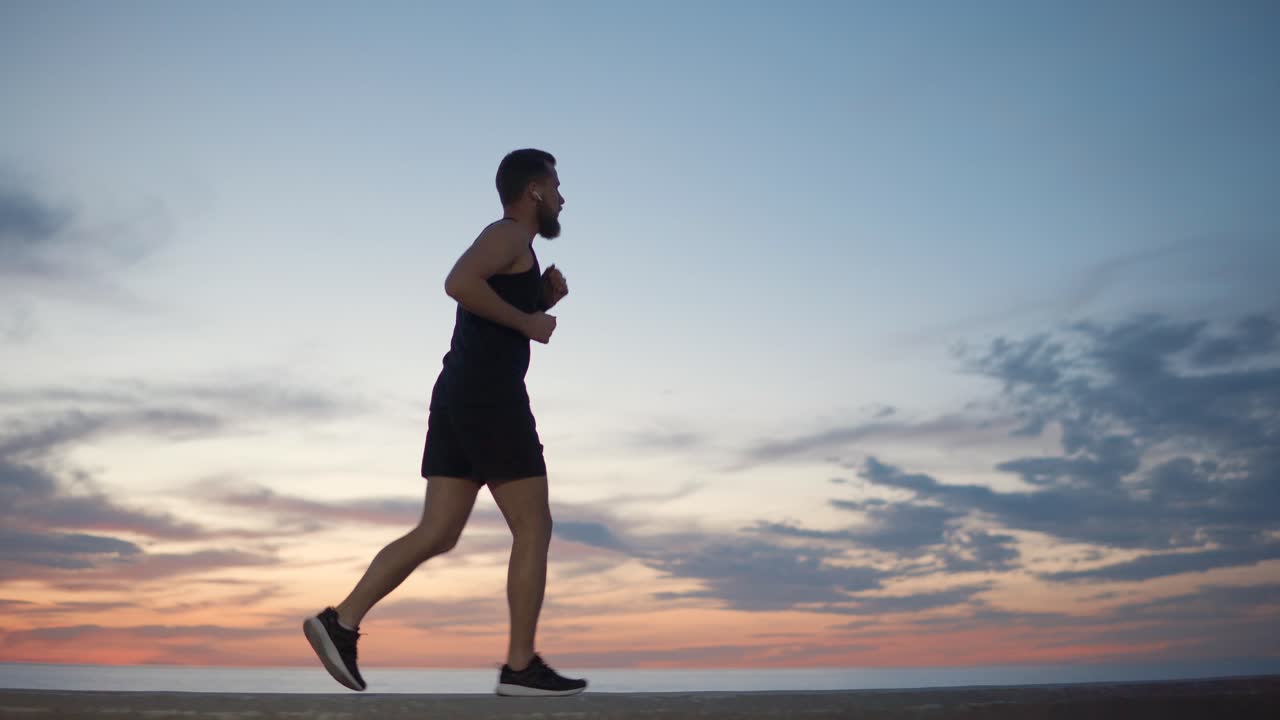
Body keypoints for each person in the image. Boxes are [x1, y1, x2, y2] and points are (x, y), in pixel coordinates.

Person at [303, 149, 587, 697]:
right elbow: (458, 283)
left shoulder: (517, 249)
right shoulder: (507, 234)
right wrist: (529, 321)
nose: (562, 198)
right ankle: (520, 667)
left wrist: (540, 298)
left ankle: (340, 623)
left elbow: (488, 306)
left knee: (438, 531)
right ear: (533, 191)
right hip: (489, 397)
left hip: (460, 393)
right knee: (534, 526)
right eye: (556, 186)